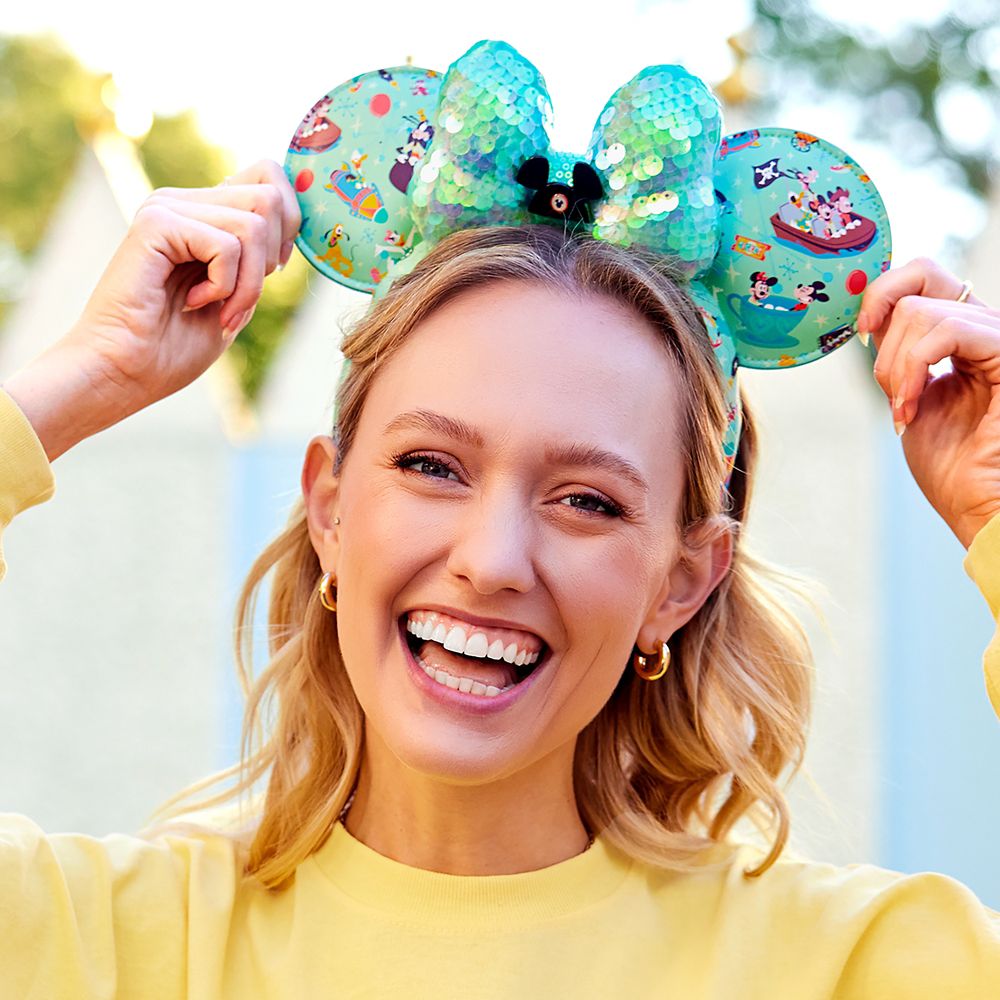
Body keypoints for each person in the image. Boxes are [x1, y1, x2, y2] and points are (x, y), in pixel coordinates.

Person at [0, 158, 998, 998]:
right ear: (331, 507)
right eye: (432, 466)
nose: (489, 560)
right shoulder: (103, 946)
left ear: (681, 583)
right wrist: (83, 377)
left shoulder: (856, 967)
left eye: (588, 501)